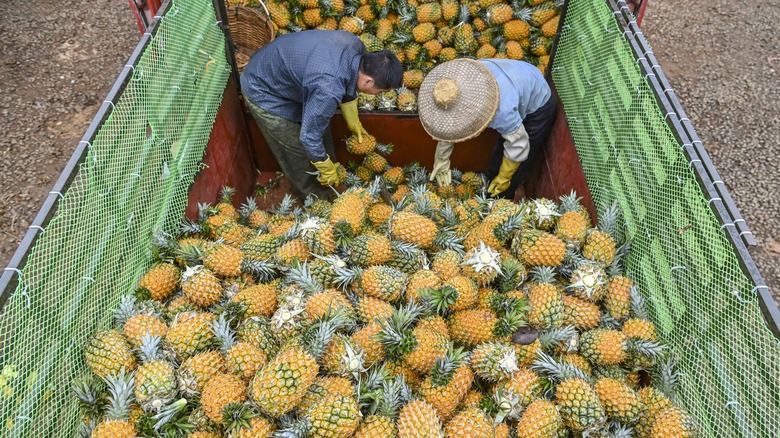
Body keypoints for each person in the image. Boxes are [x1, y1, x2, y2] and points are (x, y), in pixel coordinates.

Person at [240, 30, 403, 199]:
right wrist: (325, 168)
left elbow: (346, 78)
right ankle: (313, 199)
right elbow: (309, 137)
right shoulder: (328, 89)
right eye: (378, 91)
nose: (376, 95)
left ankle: (329, 184)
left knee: (320, 129)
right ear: (367, 81)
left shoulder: (355, 44)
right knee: (299, 151)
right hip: (263, 89)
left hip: (288, 75)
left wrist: (352, 118)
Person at [418, 58, 556, 199]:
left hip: (537, 102)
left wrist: (504, 178)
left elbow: (518, 145)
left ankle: (501, 200)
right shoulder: (459, 79)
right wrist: (442, 159)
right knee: (499, 151)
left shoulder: (502, 111)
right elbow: (451, 122)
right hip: (515, 76)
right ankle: (487, 187)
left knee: (516, 166)